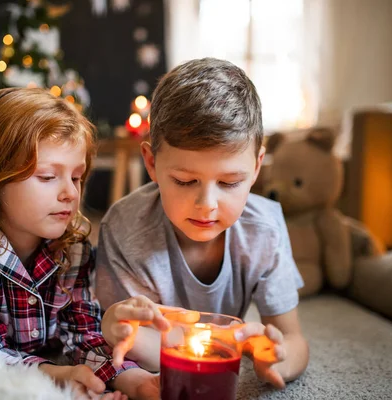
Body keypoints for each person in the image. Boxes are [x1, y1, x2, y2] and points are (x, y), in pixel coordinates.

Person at [0, 88, 159, 399]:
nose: (70, 194)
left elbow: (83, 333)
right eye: (48, 177)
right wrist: (58, 374)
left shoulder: (72, 249)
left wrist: (136, 381)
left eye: (76, 177)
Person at [96, 58, 309, 389]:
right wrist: (120, 331)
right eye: (184, 180)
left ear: (256, 168)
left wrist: (275, 357)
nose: (207, 205)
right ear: (151, 162)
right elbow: (134, 346)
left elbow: (293, 338)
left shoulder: (263, 228)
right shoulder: (125, 230)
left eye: (228, 183)